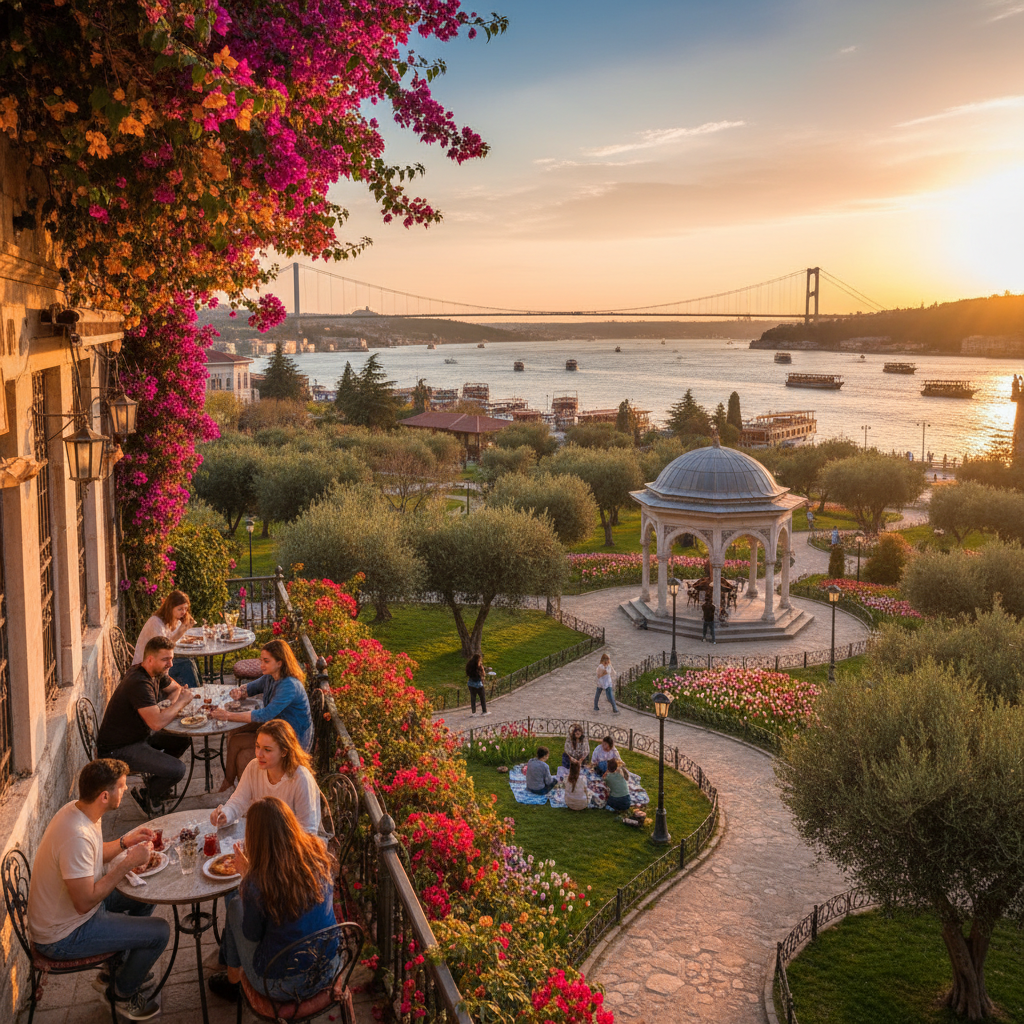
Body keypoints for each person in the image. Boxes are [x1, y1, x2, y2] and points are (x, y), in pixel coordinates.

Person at [28, 759, 169, 1021]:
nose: (126, 790)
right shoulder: (76, 836)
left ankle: (118, 971)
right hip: (63, 936)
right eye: (122, 786)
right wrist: (128, 862)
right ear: (105, 795)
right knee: (160, 932)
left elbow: (95, 854)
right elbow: (85, 902)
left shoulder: (80, 810)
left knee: (146, 893)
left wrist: (126, 841)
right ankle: (122, 994)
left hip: (74, 914)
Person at [208, 797, 339, 1005]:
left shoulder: (257, 882)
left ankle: (233, 979)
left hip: (282, 986)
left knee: (235, 905)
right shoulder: (317, 852)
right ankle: (230, 971)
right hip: (329, 966)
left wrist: (246, 878)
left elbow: (251, 933)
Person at [97, 636, 193, 813]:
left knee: (182, 739)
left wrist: (167, 707)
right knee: (178, 770)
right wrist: (179, 704)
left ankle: (156, 784)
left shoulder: (155, 672)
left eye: (171, 658)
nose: (170, 664)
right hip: (118, 749)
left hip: (139, 736)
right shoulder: (139, 683)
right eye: (166, 659)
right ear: (150, 659)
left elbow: (176, 689)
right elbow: (156, 723)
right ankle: (147, 795)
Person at [209, 639, 312, 791]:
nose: (261, 665)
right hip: (276, 726)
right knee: (235, 731)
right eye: (261, 660)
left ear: (280, 663)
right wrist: (240, 692)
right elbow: (251, 687)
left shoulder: (289, 685)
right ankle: (231, 781)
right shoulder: (271, 677)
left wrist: (227, 715)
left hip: (291, 739)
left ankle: (246, 789)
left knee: (241, 749)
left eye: (266, 661)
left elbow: (265, 715)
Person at [211, 719, 322, 837]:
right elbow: (238, 801)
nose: (259, 754)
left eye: (267, 750)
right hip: (263, 839)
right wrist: (225, 814)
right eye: (257, 746)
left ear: (284, 752)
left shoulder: (301, 779)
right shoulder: (254, 767)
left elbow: (309, 832)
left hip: (292, 845)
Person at [132, 589, 199, 688]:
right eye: (180, 609)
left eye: (185, 609)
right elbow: (163, 650)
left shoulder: (172, 621)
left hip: (159, 662)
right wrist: (181, 631)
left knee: (191, 661)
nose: (184, 612)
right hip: (145, 667)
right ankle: (191, 696)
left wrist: (183, 628)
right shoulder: (156, 622)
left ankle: (195, 693)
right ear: (170, 608)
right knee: (187, 665)